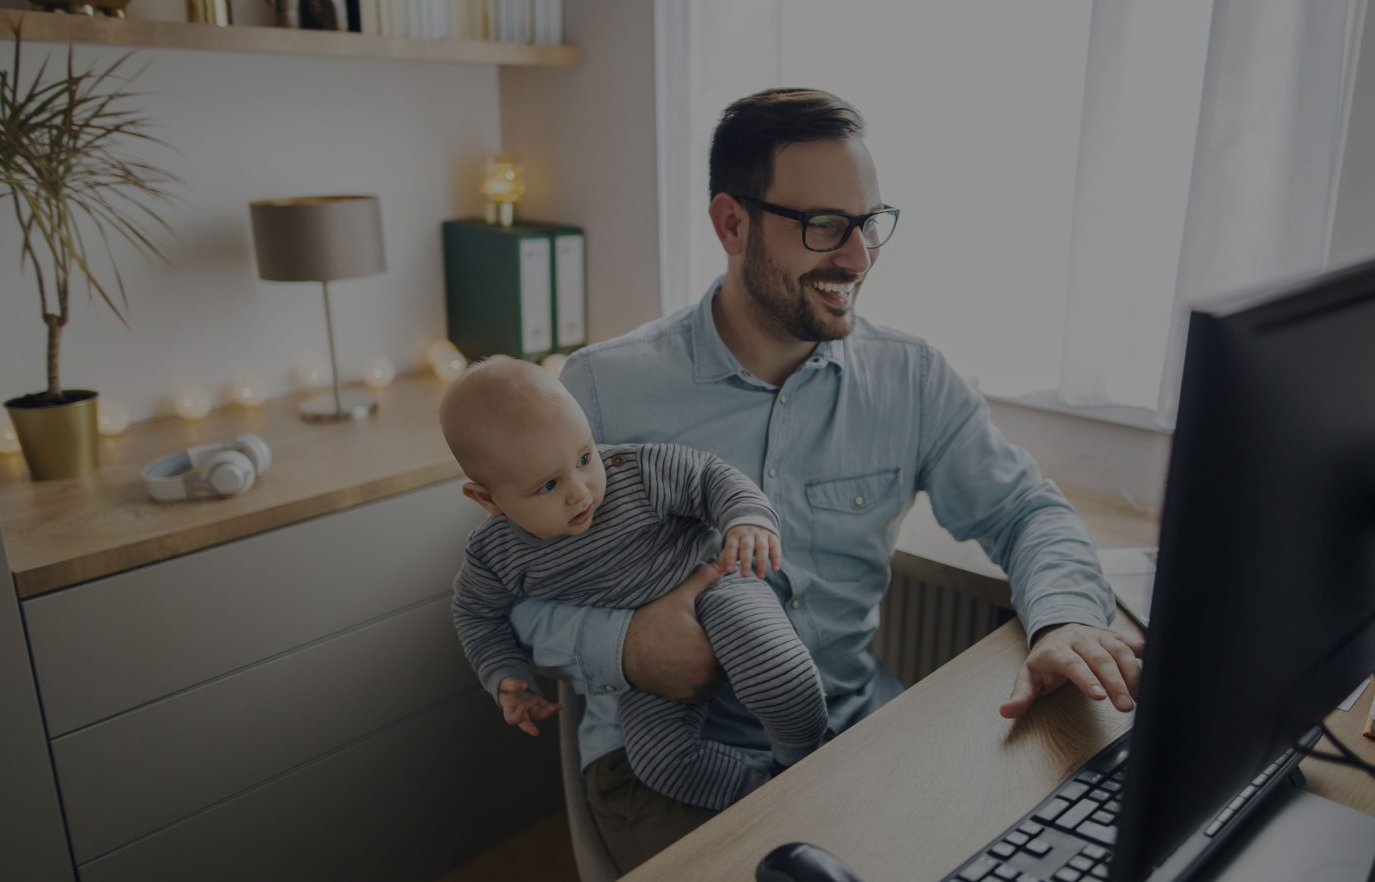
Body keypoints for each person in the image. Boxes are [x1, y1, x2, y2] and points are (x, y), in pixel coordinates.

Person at [507, 88, 1144, 871]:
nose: (857, 256)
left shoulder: (911, 378)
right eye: (823, 226)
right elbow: (518, 594)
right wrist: (627, 646)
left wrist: (1064, 621)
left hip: (854, 733)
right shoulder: (605, 390)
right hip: (667, 763)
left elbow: (1026, 512)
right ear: (731, 224)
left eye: (869, 223)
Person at [441, 356, 828, 812]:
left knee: (780, 675)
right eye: (548, 485)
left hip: (714, 584)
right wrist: (505, 674)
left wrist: (745, 520)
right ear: (487, 499)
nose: (581, 490)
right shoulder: (495, 555)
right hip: (648, 659)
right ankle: (763, 795)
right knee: (659, 760)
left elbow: (709, 476)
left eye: (584, 457)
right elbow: (475, 615)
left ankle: (806, 763)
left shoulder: (636, 473)